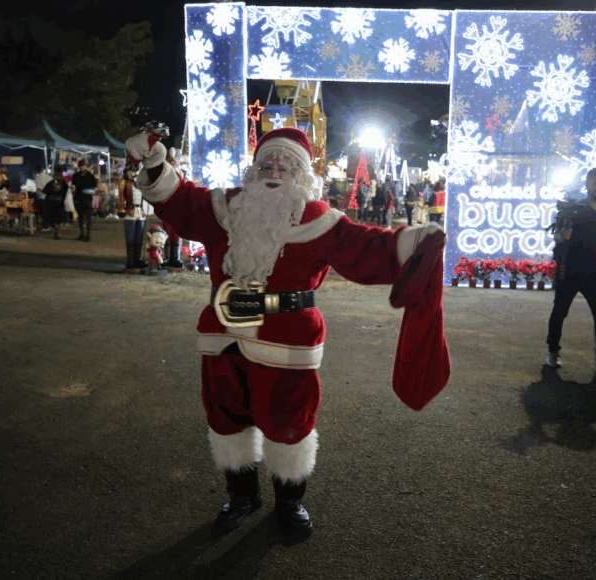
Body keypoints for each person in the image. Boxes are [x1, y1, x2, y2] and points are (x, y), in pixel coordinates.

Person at [124, 126, 450, 540]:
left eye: (287, 164)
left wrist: (417, 240)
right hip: (222, 335)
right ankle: (243, 496)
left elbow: (371, 248)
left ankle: (289, 502)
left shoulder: (322, 222)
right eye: (267, 162)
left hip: (288, 342)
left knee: (289, 421)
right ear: (254, 168)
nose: (275, 169)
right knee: (225, 417)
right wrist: (155, 163)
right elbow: (178, 199)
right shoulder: (224, 207)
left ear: (303, 174)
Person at [546, 167, 596, 375]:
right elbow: (558, 237)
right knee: (559, 312)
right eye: (595, 183)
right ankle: (553, 351)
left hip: (594, 272)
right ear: (587, 184)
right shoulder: (574, 208)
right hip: (569, 270)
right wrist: (564, 233)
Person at [72, 160, 98, 241]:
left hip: (87, 199)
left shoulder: (90, 176)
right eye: (80, 166)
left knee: (88, 218)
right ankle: (82, 234)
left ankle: (88, 235)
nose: (81, 167)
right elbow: (73, 187)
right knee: (80, 218)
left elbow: (94, 186)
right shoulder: (76, 176)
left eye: (83, 166)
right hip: (79, 199)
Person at [42, 166, 68, 240]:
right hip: (57, 204)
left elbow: (45, 191)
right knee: (57, 220)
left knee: (56, 220)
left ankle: (58, 232)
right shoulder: (63, 184)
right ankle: (58, 232)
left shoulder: (55, 183)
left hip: (56, 204)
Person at [34, 165, 53, 231]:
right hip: (49, 197)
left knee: (43, 212)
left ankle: (46, 226)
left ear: (36, 171)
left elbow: (38, 188)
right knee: (48, 212)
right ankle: (49, 225)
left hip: (42, 197)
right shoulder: (49, 177)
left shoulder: (38, 178)